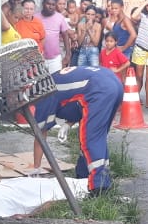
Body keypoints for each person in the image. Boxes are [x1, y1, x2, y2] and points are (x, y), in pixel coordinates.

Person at [32, 66, 124, 195]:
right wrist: (68, 124)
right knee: (98, 135)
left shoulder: (43, 95)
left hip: (99, 89)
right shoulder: (53, 79)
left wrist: (36, 168)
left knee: (90, 138)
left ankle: (98, 187)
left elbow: (40, 136)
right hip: (113, 82)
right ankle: (84, 174)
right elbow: (77, 101)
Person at [37, 0, 70, 72]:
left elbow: (65, 36)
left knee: (56, 82)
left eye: (53, 4)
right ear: (43, 4)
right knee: (40, 83)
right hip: (39, 59)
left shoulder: (59, 17)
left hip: (55, 59)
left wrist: (68, 55)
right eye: (48, 4)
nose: (50, 6)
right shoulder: (35, 17)